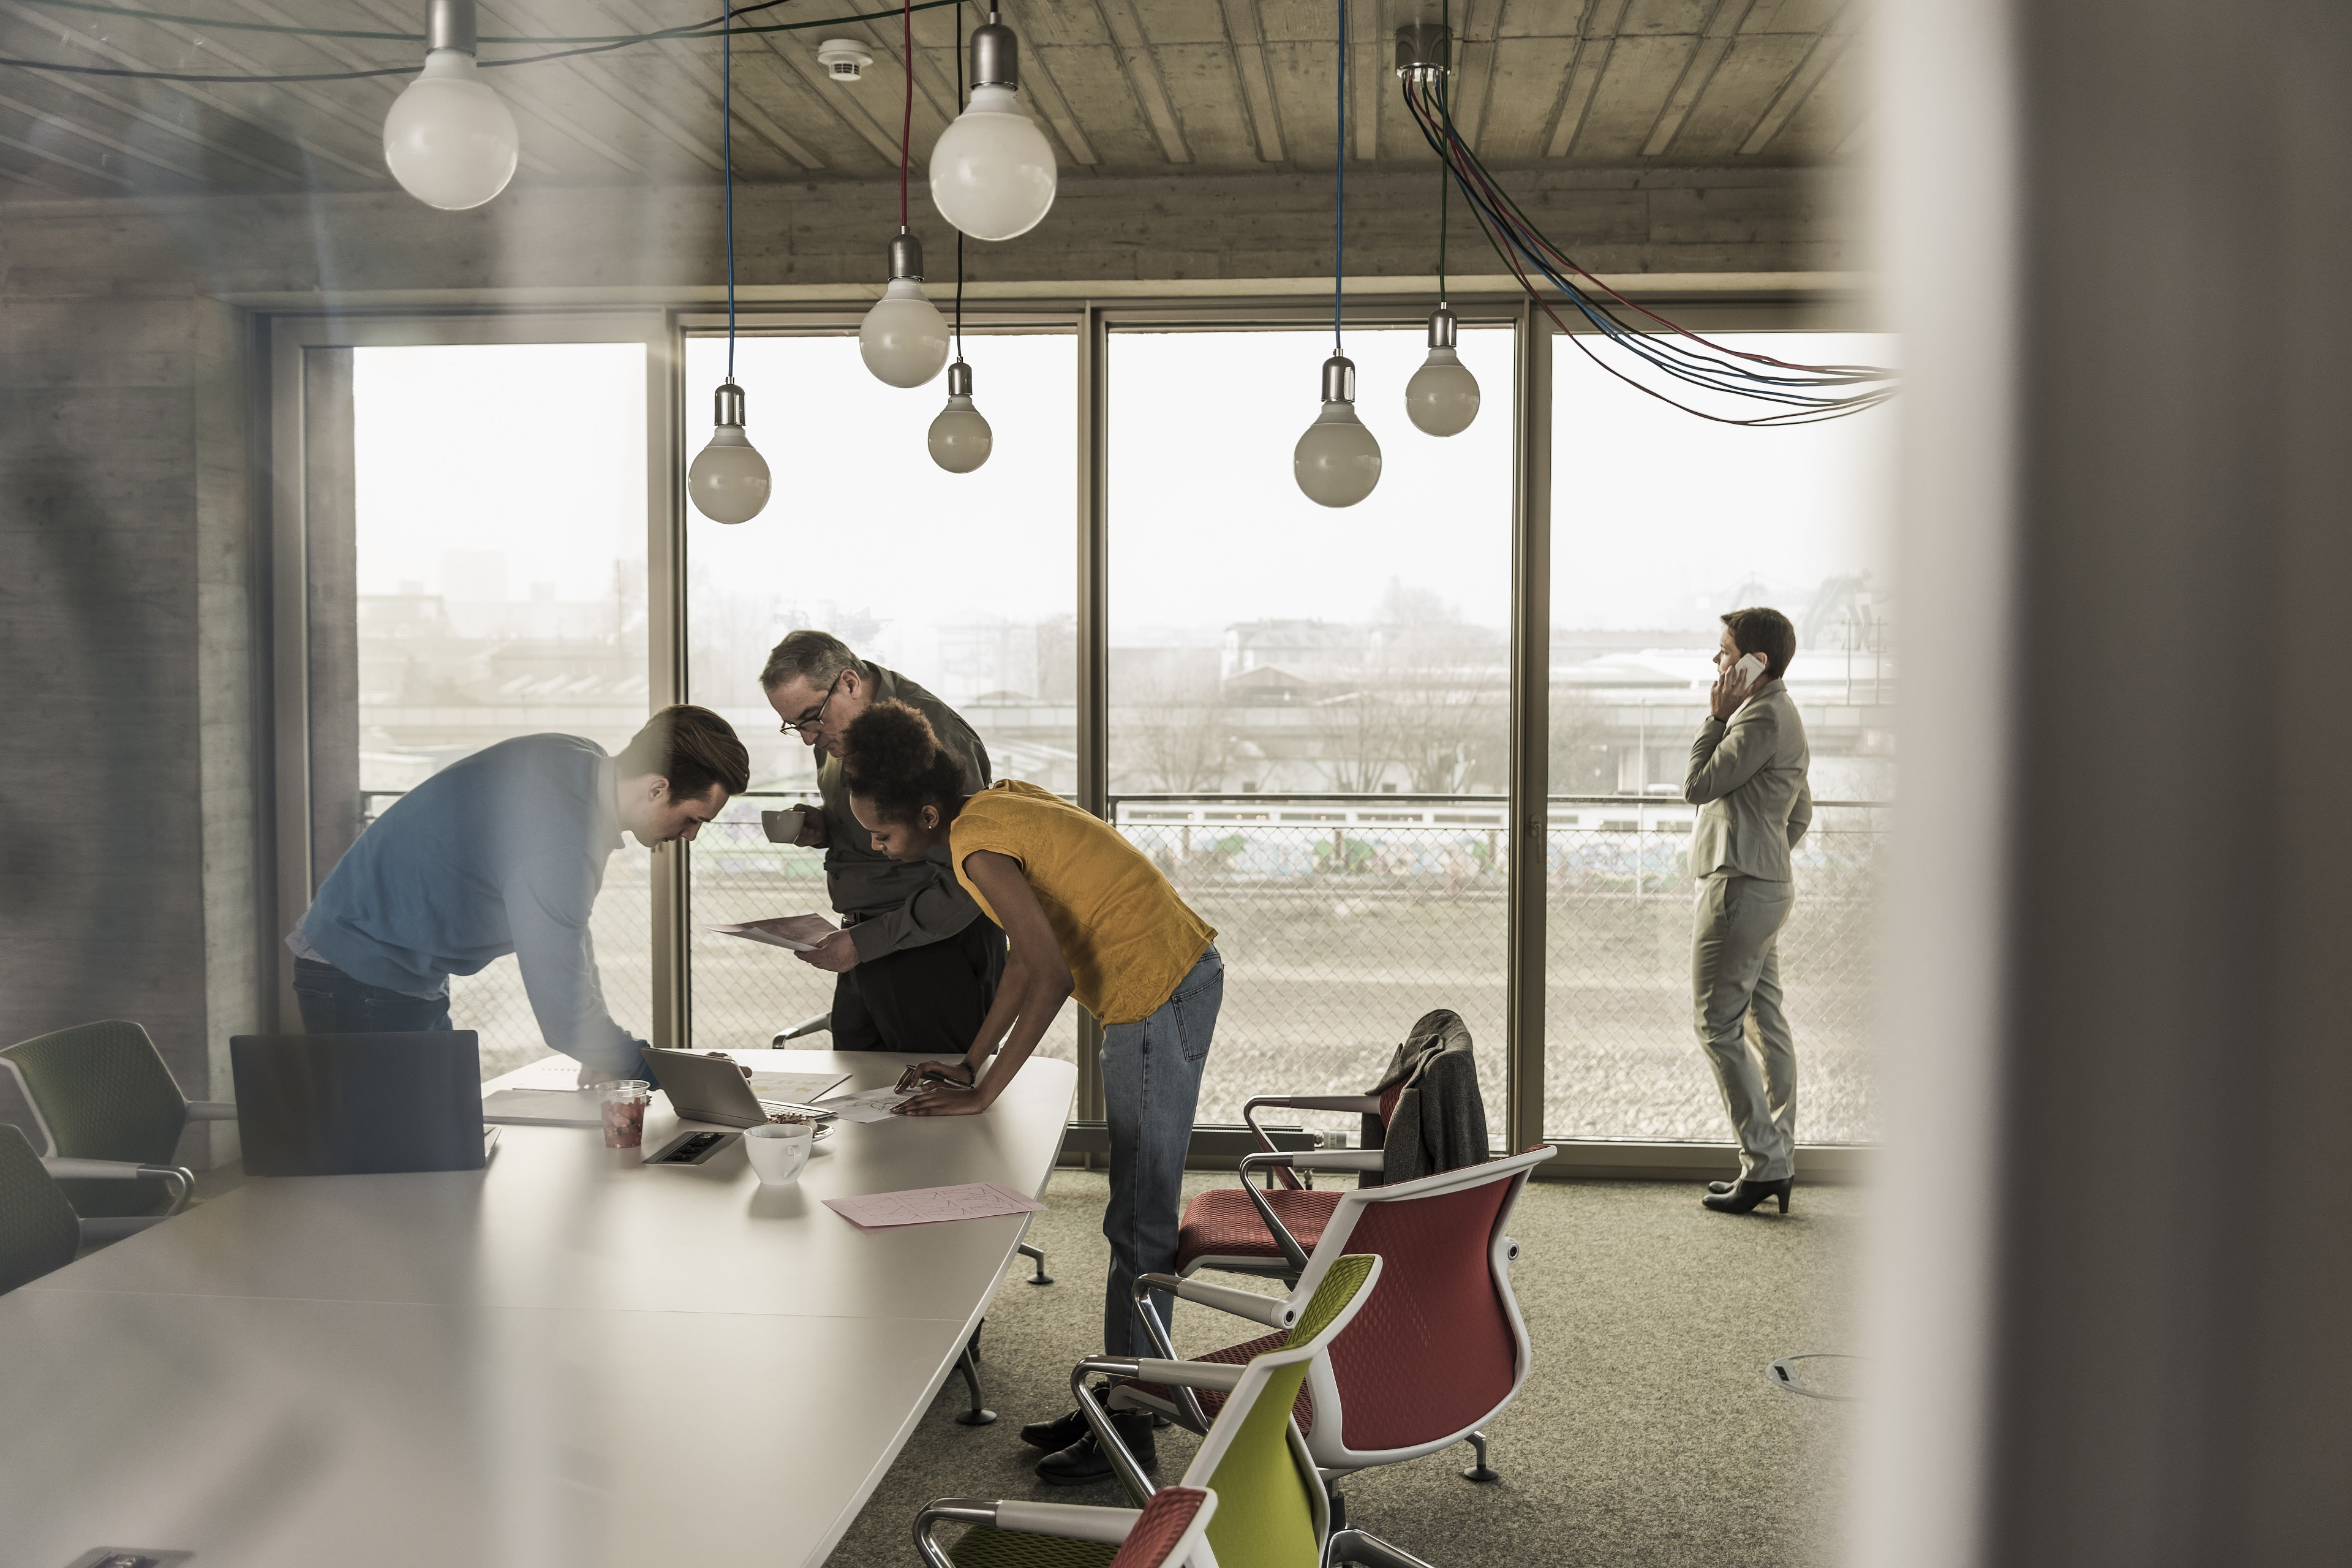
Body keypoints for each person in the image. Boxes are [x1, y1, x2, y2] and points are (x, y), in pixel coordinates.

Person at [835, 699, 1222, 1486]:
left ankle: (1132, 1427)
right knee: (1134, 1215)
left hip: (1156, 993)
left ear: (928, 813)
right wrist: (971, 1061)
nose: (877, 846)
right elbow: (1023, 958)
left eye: (882, 833)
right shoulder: (994, 806)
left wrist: (982, 1097)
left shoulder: (974, 847)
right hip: (1169, 981)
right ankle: (1121, 1395)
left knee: (1140, 1217)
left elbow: (1052, 974)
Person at [287, 704, 749, 1082]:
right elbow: (563, 1016)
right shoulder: (562, 843)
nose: (690, 836)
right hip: (360, 967)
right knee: (397, 1167)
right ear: (657, 789)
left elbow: (571, 942)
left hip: (396, 964)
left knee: (434, 1146)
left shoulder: (577, 761)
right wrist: (669, 1073)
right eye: (693, 818)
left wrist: (605, 1049)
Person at [760, 630, 1003, 1056]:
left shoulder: (935, 736)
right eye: (793, 725)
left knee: (936, 1103)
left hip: (930, 947)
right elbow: (881, 824)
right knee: (860, 1101)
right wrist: (822, 828)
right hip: (866, 942)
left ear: (850, 683)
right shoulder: (836, 729)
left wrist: (865, 942)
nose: (807, 738)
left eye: (810, 718)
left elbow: (970, 876)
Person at [1684, 607, 1813, 1215]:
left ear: (1754, 662)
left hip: (1740, 889)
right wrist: (1768, 855)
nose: (1718, 662)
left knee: (1717, 1024)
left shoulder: (1756, 717)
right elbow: (1801, 813)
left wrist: (1715, 715)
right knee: (1764, 1017)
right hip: (1765, 884)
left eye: (1726, 650)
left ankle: (1764, 1163)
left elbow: (1699, 784)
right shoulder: (1784, 714)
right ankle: (1776, 1158)